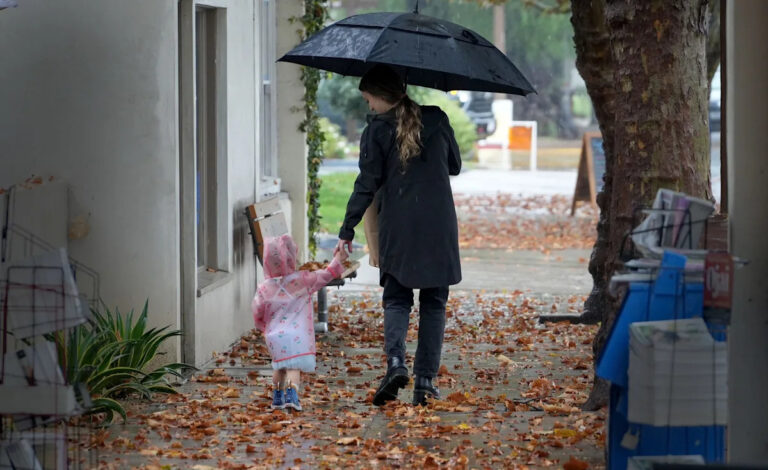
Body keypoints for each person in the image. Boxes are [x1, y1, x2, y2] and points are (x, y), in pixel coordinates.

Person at [334, 64, 462, 406]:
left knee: (396, 298)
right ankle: (424, 382)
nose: (369, 106)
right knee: (434, 303)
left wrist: (347, 229)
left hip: (399, 225)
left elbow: (366, 184)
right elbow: (454, 166)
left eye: (369, 99)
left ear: (381, 96)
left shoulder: (376, 130)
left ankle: (395, 364)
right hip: (438, 224)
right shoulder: (436, 119)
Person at [253, 233, 348, 411]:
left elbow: (257, 309)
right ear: (291, 258)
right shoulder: (302, 281)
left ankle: (277, 397)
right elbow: (326, 275)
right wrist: (338, 259)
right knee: (293, 368)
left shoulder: (265, 287)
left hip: (274, 336)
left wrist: (261, 326)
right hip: (296, 335)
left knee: (279, 367)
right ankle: (292, 394)